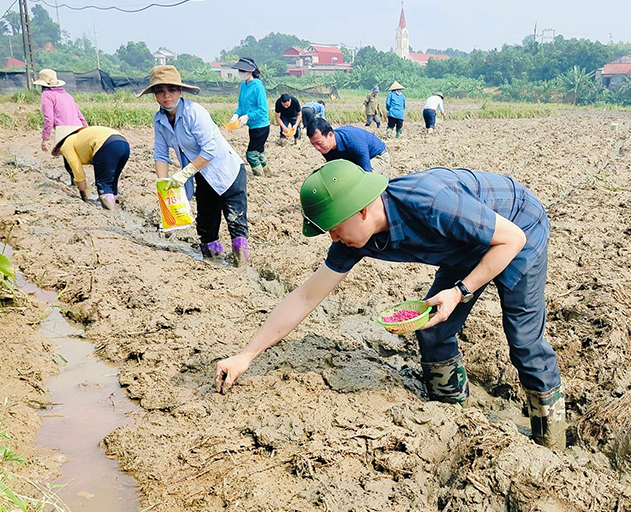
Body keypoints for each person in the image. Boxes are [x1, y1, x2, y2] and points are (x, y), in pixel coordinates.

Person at [213, 160, 566, 450]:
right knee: (433, 330)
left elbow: (512, 239)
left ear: (363, 210)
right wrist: (247, 354)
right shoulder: (356, 239)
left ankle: (550, 440)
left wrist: (459, 290)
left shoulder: (430, 202)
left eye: (335, 229)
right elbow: (305, 296)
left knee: (523, 339)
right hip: (464, 243)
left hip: (518, 227)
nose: (334, 239)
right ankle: (451, 414)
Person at [139, 65, 250, 266]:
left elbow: (210, 149)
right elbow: (161, 154)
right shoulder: (160, 120)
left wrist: (184, 173)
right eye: (160, 91)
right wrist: (163, 185)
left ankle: (242, 269)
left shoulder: (193, 112)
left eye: (171, 90)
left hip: (227, 172)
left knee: (236, 222)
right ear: (155, 95)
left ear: (179, 91)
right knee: (206, 228)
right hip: (202, 175)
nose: (166, 96)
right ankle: (214, 262)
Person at [50, 125, 130, 210]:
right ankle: (115, 207)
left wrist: (83, 193)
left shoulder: (66, 145)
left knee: (103, 183)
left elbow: (77, 170)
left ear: (58, 146)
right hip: (123, 143)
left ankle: (112, 215)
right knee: (112, 182)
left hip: (105, 145)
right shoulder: (79, 136)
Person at [230, 58, 271, 177]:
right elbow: (241, 105)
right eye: (239, 70)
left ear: (250, 71)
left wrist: (248, 116)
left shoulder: (257, 86)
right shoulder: (244, 85)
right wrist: (236, 114)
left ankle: (260, 176)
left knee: (251, 154)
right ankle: (268, 174)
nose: (240, 72)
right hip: (253, 126)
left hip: (261, 126)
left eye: (243, 70)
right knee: (259, 153)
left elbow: (263, 109)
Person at [307, 118, 389, 175]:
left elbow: (367, 173)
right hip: (356, 159)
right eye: (313, 144)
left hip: (377, 156)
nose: (317, 148)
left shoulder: (353, 142)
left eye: (319, 143)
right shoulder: (326, 148)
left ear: (330, 135)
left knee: (359, 178)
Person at [35, 69, 87, 154]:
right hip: (78, 128)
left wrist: (45, 138)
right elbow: (79, 115)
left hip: (64, 131)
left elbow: (49, 118)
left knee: (69, 160)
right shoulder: (67, 95)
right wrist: (86, 129)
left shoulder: (46, 95)